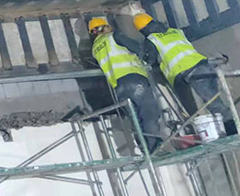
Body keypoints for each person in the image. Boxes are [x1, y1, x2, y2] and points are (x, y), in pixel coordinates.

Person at [134, 13, 232, 125]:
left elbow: (150, 61)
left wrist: (144, 62)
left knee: (203, 107)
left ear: (143, 30)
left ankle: (231, 128)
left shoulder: (152, 39)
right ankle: (227, 125)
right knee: (215, 100)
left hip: (186, 72)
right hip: (204, 65)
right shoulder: (176, 31)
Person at [88, 16, 164, 153]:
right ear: (105, 27)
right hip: (134, 79)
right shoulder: (114, 36)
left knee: (135, 120)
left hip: (119, 87)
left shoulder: (95, 49)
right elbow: (139, 50)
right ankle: (156, 149)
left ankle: (146, 151)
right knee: (149, 114)